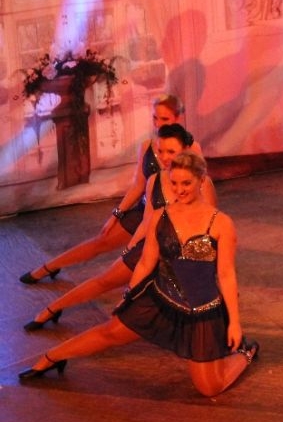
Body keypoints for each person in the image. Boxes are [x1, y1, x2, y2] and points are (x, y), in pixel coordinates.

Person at [18, 151, 258, 397]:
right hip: (160, 301)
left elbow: (226, 275)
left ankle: (246, 352)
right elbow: (145, 262)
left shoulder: (221, 223)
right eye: (174, 183)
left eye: (186, 183)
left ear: (201, 179)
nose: (179, 189)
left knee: (209, 388)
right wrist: (129, 296)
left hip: (202, 313)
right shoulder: (161, 216)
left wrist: (234, 324)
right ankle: (51, 357)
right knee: (110, 332)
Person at [23, 124, 216, 330]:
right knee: (105, 280)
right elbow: (147, 222)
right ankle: (52, 309)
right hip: (151, 250)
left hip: (181, 260)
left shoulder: (202, 183)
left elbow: (209, 233)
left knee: (139, 322)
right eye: (161, 151)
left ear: (186, 150)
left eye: (171, 151)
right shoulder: (154, 180)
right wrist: (128, 250)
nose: (164, 157)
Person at [20, 94, 201, 284]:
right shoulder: (147, 146)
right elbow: (138, 185)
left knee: (131, 269)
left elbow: (199, 190)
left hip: (174, 218)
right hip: (145, 211)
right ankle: (47, 267)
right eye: (155, 118)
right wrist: (116, 215)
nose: (158, 124)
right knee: (101, 240)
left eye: (164, 119)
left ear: (178, 118)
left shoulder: (191, 148)